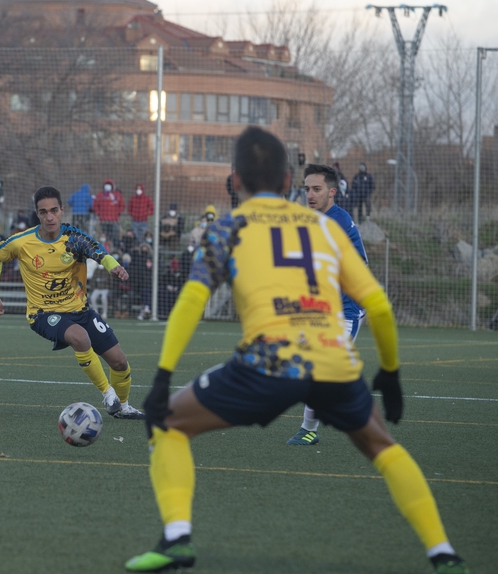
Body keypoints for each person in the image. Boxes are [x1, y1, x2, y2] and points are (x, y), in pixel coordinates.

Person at [126, 126, 470, 574]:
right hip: (334, 360)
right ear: (289, 182)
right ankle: (443, 554)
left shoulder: (228, 227)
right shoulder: (325, 229)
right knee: (384, 447)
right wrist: (389, 372)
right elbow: (379, 306)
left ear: (235, 181)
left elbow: (192, 300)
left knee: (168, 424)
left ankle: (176, 541)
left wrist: (162, 376)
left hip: (267, 362)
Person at [0, 186, 143, 419]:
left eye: (53, 211)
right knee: (79, 337)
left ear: (62, 210)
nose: (49, 217)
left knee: (120, 362)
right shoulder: (22, 242)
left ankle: (124, 407)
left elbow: (100, 253)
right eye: (43, 212)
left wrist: (115, 267)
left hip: (81, 311)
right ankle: (107, 393)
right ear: (37, 214)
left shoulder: (74, 238)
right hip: (43, 313)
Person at [287, 164, 369, 446]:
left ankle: (310, 429)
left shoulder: (335, 222)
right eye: (307, 188)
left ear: (332, 192)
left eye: (317, 189)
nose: (310, 194)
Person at [93, 178, 125, 245]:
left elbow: (122, 205)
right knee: (103, 236)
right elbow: (95, 205)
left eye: (109, 184)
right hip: (103, 220)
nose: (107, 186)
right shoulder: (100, 195)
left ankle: (115, 249)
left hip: (114, 220)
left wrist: (118, 213)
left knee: (115, 236)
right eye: (106, 184)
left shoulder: (117, 195)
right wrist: (99, 213)